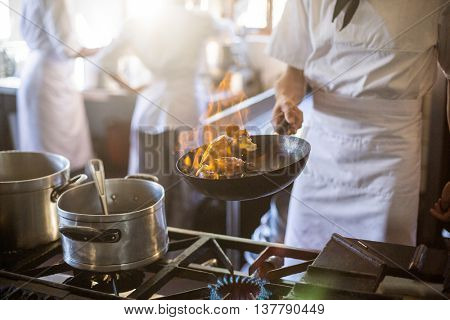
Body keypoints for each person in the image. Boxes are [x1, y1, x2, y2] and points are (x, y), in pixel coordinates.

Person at [269, 0, 450, 250]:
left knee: (381, 267)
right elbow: (293, 72)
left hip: (391, 153)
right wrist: (285, 100)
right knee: (303, 266)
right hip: (320, 151)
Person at [98, 0, 225, 227]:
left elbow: (105, 60)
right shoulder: (199, 20)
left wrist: (129, 87)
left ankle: (144, 241)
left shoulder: (137, 23)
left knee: (147, 185)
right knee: (187, 184)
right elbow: (230, 32)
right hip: (187, 107)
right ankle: (180, 244)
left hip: (150, 106)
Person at [18, 0, 98, 171]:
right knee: (59, 155)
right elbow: (68, 48)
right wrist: (105, 48)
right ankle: (64, 193)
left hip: (34, 73)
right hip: (51, 79)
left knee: (39, 149)